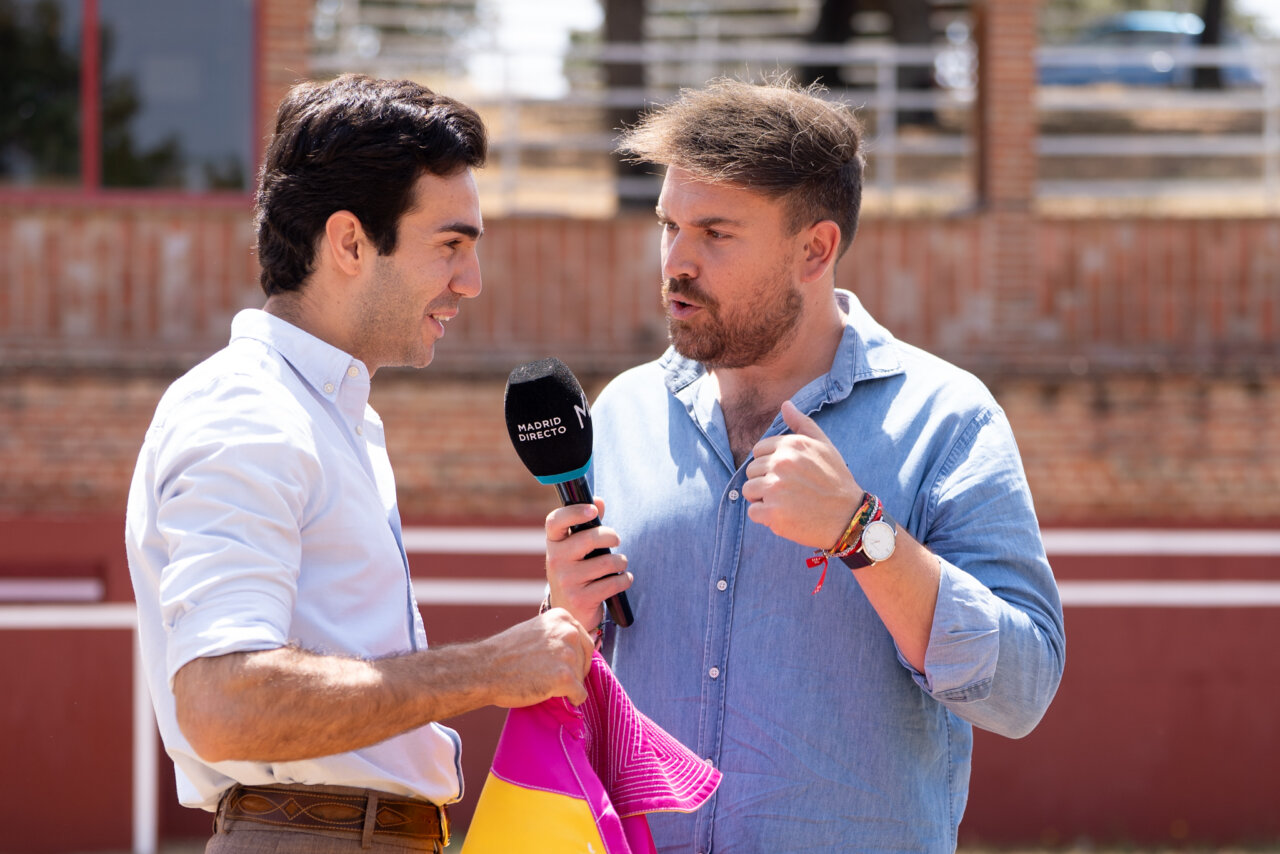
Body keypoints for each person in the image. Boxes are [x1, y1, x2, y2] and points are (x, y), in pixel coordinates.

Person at [544, 78, 1066, 853]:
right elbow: (575, 686)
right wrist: (565, 617)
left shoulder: (946, 419)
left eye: (716, 233)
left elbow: (1020, 690)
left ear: (814, 249)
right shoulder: (621, 415)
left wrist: (862, 533)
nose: (677, 262)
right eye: (669, 226)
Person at [126, 74, 596, 853]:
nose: (470, 283)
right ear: (349, 242)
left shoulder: (326, 416)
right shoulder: (250, 411)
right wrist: (488, 669)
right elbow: (223, 702)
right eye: (450, 245)